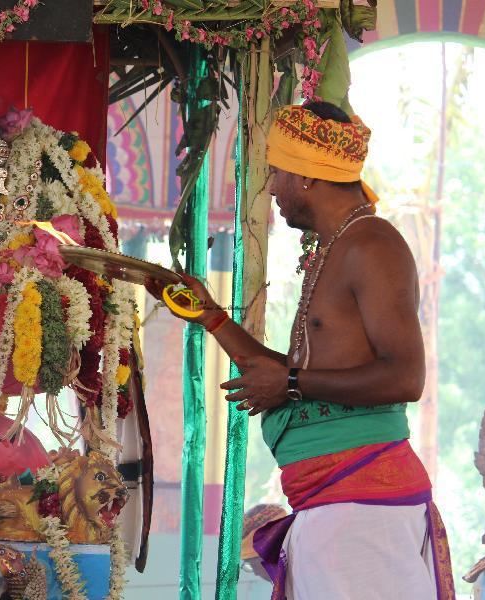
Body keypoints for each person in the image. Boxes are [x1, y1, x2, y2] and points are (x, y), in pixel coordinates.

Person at [146, 101, 454, 599]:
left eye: (276, 171)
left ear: (307, 176)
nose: (272, 187)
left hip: (362, 502)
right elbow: (296, 372)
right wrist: (213, 318)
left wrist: (289, 383)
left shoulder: (372, 246)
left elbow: (405, 378)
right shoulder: (336, 246)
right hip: (331, 499)